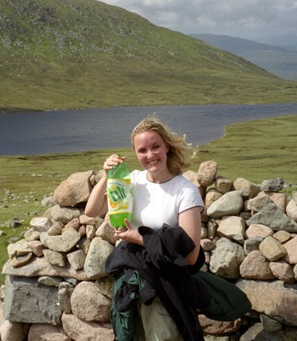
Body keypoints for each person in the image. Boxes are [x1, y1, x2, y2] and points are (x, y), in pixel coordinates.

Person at [85, 115, 206, 341]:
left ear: (167, 147)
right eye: (142, 150)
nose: (150, 155)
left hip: (165, 288)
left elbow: (190, 256)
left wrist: (139, 238)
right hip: (132, 284)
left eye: (155, 147)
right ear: (135, 153)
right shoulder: (133, 180)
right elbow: (91, 210)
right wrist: (106, 175)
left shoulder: (185, 191)